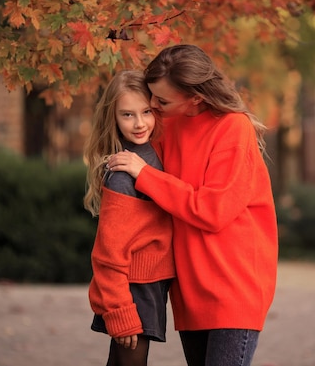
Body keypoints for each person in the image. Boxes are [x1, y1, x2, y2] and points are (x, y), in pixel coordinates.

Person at [107, 45, 278, 366]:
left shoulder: (232, 127)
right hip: (188, 289)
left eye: (162, 100)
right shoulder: (166, 124)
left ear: (195, 98)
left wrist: (145, 175)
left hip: (233, 288)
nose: (153, 106)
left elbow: (213, 211)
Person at [83, 70, 175, 366]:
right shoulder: (123, 174)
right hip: (131, 288)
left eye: (146, 111)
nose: (139, 123)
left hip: (150, 283)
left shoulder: (153, 154)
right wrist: (120, 311)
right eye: (127, 115)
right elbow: (108, 253)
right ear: (113, 118)